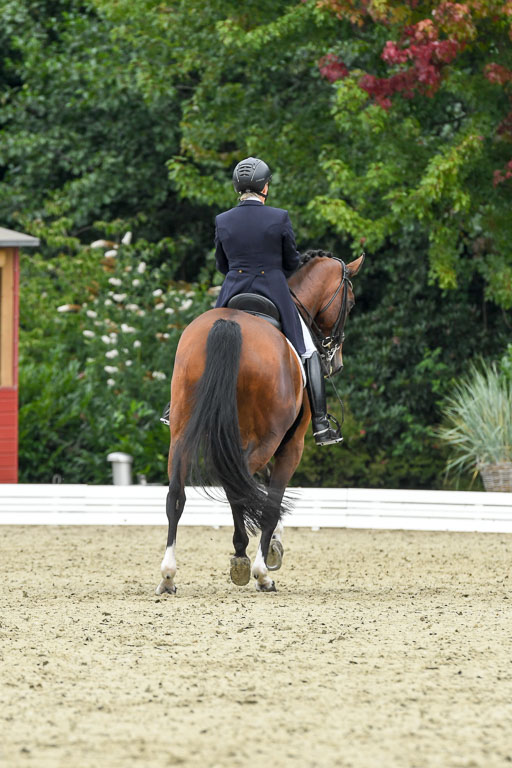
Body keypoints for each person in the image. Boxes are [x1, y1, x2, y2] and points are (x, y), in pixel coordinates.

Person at [161, 156, 342, 446]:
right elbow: (292, 260)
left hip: (233, 290)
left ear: (237, 186)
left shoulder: (223, 220)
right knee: (308, 350)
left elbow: (222, 264)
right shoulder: (279, 217)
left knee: (203, 343)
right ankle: (321, 424)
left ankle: (175, 407)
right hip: (273, 289)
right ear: (265, 187)